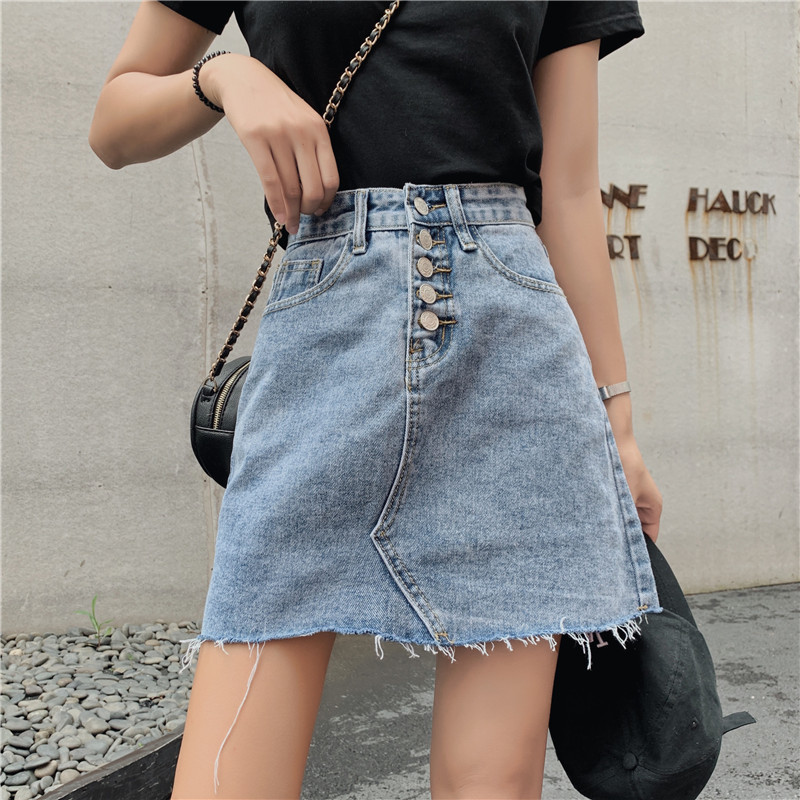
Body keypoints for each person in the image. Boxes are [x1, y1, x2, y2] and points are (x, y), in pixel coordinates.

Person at [89, 2, 664, 798]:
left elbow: (566, 192)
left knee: (492, 783)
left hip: (515, 344)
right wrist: (226, 76)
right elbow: (113, 122)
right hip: (327, 324)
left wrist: (618, 425)